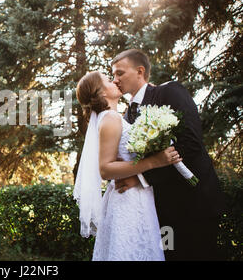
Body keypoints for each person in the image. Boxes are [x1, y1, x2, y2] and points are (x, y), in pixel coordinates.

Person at [111, 49, 225, 260]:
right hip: (159, 212)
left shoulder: (169, 92)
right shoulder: (125, 117)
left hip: (193, 203)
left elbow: (190, 144)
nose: (115, 79)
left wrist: (140, 177)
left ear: (140, 71)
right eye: (113, 75)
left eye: (120, 73)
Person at [74, 71, 182, 261]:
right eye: (108, 80)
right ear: (100, 92)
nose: (114, 80)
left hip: (134, 195)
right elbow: (105, 169)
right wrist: (153, 161)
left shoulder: (113, 118)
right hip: (128, 200)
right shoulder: (110, 118)